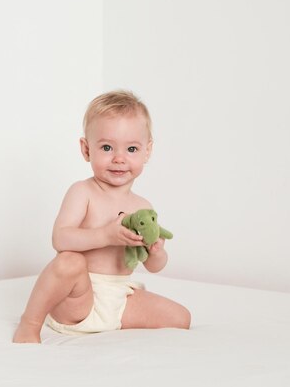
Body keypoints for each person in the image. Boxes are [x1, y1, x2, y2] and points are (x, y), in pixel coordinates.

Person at [13, 90, 191, 343]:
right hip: (77, 298)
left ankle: (110, 323)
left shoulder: (142, 206)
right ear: (86, 150)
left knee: (181, 318)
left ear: (147, 151)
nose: (119, 158)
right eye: (107, 147)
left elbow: (153, 266)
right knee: (69, 262)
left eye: (131, 149)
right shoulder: (83, 192)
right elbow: (61, 239)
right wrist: (105, 235)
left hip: (117, 297)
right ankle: (29, 323)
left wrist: (156, 251)